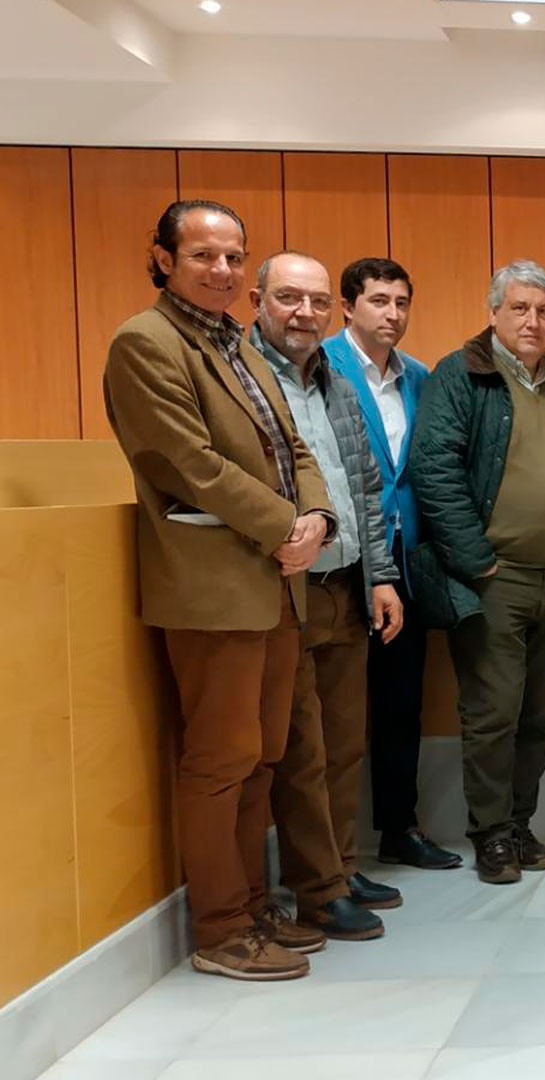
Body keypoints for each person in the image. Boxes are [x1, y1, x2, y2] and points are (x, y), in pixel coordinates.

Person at [102, 200, 334, 980]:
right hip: (213, 587)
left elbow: (294, 447)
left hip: (275, 583)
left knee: (263, 756)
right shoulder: (146, 343)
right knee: (220, 759)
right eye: (204, 255)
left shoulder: (237, 344)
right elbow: (187, 463)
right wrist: (285, 526)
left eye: (234, 256)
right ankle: (221, 927)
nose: (223, 270)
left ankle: (255, 907)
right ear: (163, 258)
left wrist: (318, 518)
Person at [409, 259, 545, 885]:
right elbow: (434, 469)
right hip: (494, 577)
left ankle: (519, 823)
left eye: (544, 311)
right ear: (493, 313)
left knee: (540, 714)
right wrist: (477, 562)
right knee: (492, 712)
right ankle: (489, 832)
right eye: (519, 308)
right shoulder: (461, 375)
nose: (532, 321)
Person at [250, 252, 406, 941]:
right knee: (302, 747)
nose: (304, 313)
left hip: (346, 581)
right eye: (290, 298)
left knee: (343, 742)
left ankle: (341, 868)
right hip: (285, 588)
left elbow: (365, 487)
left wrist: (381, 576)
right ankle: (316, 888)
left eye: (315, 301)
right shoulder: (245, 378)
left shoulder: (336, 383)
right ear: (258, 300)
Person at [321, 258, 462, 872]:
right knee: (334, 710)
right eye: (379, 300)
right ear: (348, 306)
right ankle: (328, 855)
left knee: (402, 701)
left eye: (402, 302)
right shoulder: (320, 365)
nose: (393, 313)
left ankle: (400, 827)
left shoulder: (419, 377)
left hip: (406, 562)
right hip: (339, 558)